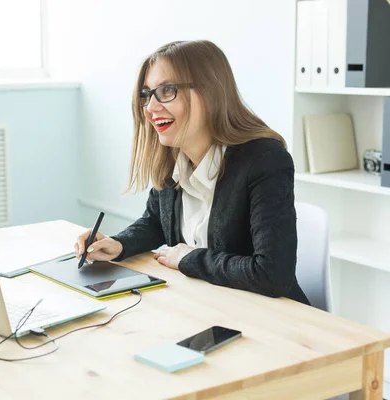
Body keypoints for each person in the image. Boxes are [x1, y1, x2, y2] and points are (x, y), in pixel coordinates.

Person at [74, 40, 310, 305]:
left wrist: (189, 259)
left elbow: (272, 274)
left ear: (210, 92)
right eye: (147, 94)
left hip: (269, 318)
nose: (151, 108)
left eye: (167, 90)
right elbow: (156, 222)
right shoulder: (172, 157)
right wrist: (119, 244)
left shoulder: (264, 160)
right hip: (204, 305)